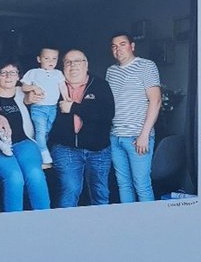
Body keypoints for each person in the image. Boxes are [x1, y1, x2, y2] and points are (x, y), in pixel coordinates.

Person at [0, 59, 51, 212]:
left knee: (35, 174)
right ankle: (13, 226)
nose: (8, 76)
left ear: (18, 76)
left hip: (24, 143)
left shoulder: (24, 92)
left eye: (13, 73)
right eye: (4, 73)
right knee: (14, 177)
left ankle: (46, 220)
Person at [48, 49, 114, 208]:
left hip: (99, 150)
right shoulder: (54, 87)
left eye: (77, 61)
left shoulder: (100, 85)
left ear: (86, 65)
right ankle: (66, 229)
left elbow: (106, 114)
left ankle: (100, 228)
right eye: (68, 62)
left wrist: (74, 108)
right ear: (63, 66)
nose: (73, 66)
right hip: (66, 148)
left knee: (100, 193)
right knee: (70, 190)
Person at [106, 32, 162, 203]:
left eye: (122, 44)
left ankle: (149, 227)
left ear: (132, 46)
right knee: (123, 184)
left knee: (142, 184)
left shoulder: (146, 66)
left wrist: (144, 135)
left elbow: (156, 100)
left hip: (138, 137)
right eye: (114, 46)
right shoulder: (111, 71)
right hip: (116, 136)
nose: (118, 49)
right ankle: (129, 225)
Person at [20, 46, 68, 164]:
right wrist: (34, 87)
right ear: (39, 59)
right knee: (40, 131)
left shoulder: (58, 73)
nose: (51, 61)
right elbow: (24, 86)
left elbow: (62, 87)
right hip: (38, 107)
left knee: (47, 131)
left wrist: (67, 98)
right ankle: (44, 152)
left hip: (53, 107)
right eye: (47, 58)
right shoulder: (33, 72)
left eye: (54, 59)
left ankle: (40, 151)